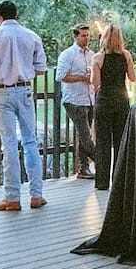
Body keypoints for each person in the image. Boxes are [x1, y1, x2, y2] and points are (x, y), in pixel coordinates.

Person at [0, 0, 48, 210]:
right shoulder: (31, 36)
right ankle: (36, 194)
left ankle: (12, 197)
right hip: (25, 89)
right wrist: (24, 70)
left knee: (9, 143)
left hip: (2, 90)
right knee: (30, 141)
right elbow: (42, 68)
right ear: (16, 14)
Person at [91, 24, 136, 189]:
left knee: (103, 142)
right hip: (121, 101)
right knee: (120, 141)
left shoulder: (98, 58)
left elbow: (95, 84)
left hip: (104, 101)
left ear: (104, 38)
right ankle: (119, 180)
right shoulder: (126, 56)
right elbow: (132, 78)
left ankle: (102, 182)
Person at [56, 24, 97, 180]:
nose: (86, 38)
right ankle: (104, 162)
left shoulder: (92, 55)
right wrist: (81, 78)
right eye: (83, 36)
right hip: (74, 100)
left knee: (83, 135)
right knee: (86, 136)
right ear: (76, 36)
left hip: (89, 98)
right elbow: (61, 76)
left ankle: (83, 168)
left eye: (88, 35)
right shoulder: (68, 55)